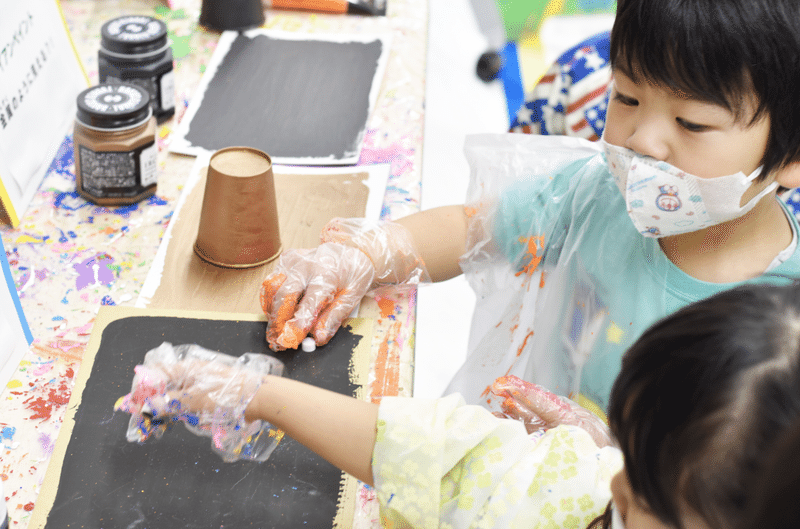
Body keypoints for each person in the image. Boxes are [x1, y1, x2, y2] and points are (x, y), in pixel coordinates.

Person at [261, 0, 800, 414]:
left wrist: (613, 466)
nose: (641, 140)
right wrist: (368, 252)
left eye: (691, 123)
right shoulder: (595, 196)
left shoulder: (784, 325)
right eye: (627, 98)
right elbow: (471, 229)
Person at [118, 281, 800, 528]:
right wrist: (256, 393)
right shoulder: (582, 491)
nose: (615, 481)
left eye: (645, 492)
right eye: (627, 449)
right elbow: (432, 453)